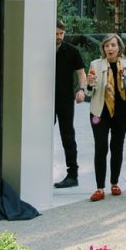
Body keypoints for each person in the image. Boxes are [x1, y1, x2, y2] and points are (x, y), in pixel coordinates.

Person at [87, 34, 126, 201]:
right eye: (107, 46)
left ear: (119, 47)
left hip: (122, 110)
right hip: (100, 110)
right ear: (103, 48)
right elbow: (90, 91)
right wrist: (89, 84)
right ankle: (99, 187)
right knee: (101, 147)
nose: (110, 48)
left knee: (117, 146)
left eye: (113, 45)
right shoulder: (95, 64)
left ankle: (115, 183)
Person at [53, 23, 87, 190]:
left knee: (67, 135)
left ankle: (72, 174)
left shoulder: (72, 51)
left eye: (61, 33)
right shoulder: (39, 49)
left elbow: (81, 74)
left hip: (65, 98)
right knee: (41, 136)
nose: (59, 37)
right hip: (43, 100)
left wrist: (81, 90)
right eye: (56, 33)